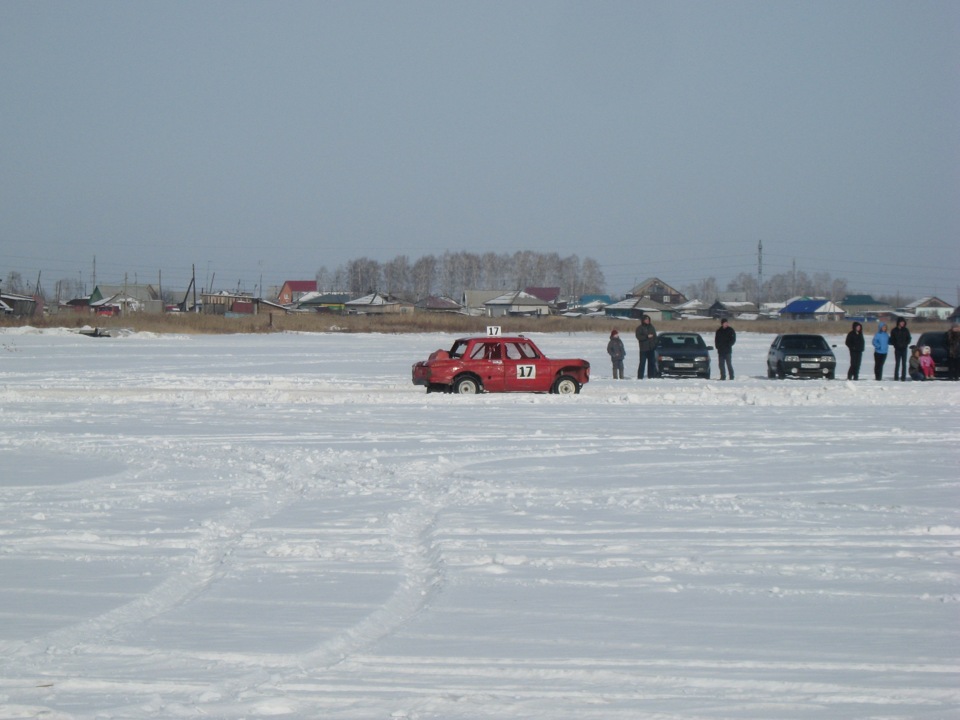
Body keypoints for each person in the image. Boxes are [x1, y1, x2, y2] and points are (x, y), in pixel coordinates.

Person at [635, 315, 658, 379]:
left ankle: (651, 376)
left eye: (648, 319)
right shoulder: (639, 328)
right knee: (642, 363)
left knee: (651, 363)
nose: (647, 321)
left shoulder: (651, 327)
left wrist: (654, 344)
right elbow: (639, 337)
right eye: (646, 319)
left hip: (651, 348)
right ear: (643, 320)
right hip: (643, 349)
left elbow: (655, 337)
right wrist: (647, 337)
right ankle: (640, 377)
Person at [889, 317, 912, 381]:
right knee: (897, 363)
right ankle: (896, 377)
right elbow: (892, 339)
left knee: (904, 364)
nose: (902, 323)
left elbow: (909, 339)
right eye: (901, 322)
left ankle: (903, 377)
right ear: (898, 323)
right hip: (897, 349)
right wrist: (895, 345)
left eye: (903, 322)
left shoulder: (906, 330)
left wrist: (905, 344)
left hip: (904, 349)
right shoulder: (894, 330)